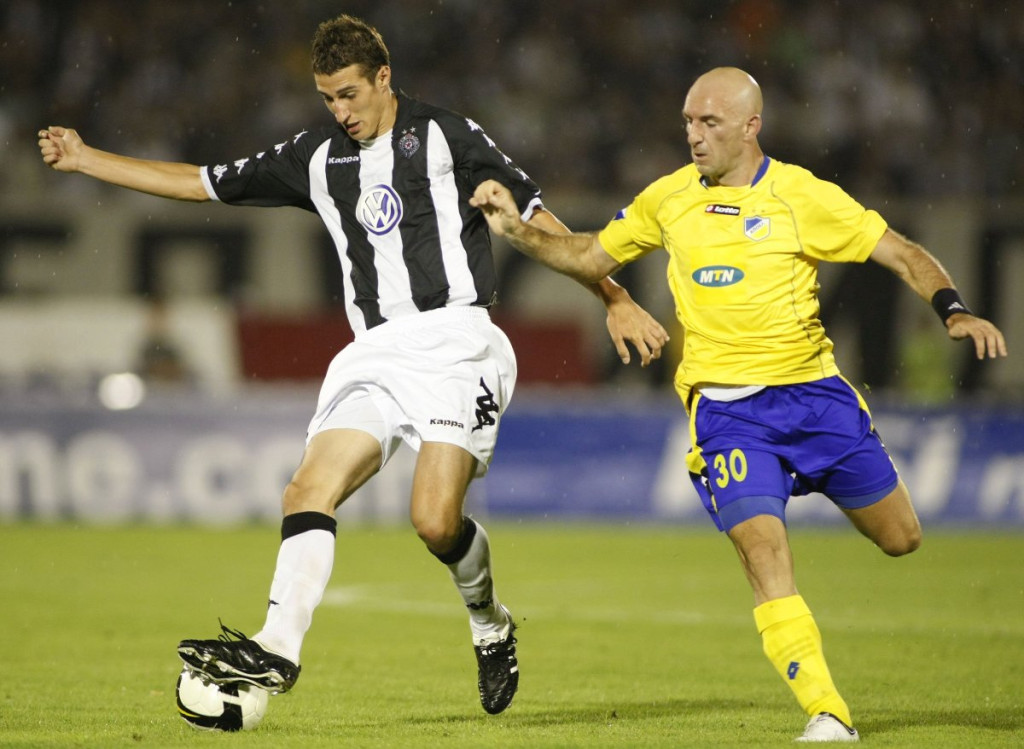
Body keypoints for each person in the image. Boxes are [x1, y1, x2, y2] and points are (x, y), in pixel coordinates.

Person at [38, 14, 668, 716]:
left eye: (349, 94)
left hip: (456, 342)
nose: (340, 112)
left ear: (383, 78)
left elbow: (541, 221)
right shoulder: (316, 155)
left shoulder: (448, 136)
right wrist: (87, 159)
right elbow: (202, 183)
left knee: (434, 521)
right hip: (373, 352)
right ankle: (278, 645)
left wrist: (613, 297)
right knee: (307, 488)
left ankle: (490, 621)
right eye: (327, 98)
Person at [471, 66, 1007, 741]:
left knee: (902, 538)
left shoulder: (801, 195)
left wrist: (954, 310)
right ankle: (827, 710)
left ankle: (816, 488)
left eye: (710, 123)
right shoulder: (669, 197)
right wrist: (516, 231)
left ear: (752, 126)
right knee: (763, 552)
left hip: (816, 400)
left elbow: (901, 253)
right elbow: (588, 256)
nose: (694, 136)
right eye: (688, 123)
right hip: (727, 414)